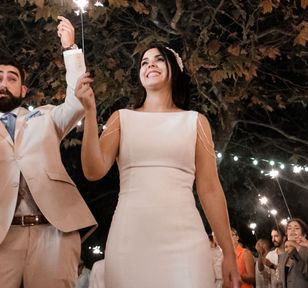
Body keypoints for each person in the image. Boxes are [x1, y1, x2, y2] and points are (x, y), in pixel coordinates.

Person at [0, 16, 96, 288]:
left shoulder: (45, 116)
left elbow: (77, 101)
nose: (4, 82)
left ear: (23, 89)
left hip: (53, 230)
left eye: (12, 78)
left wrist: (70, 49)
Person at [77, 45, 241, 288]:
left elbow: (210, 190)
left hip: (185, 241)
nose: (150, 65)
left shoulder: (196, 122)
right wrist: (90, 113)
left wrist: (229, 254)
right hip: (130, 238)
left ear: (173, 69)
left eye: (158, 60)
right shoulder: (121, 118)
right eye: (144, 62)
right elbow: (93, 170)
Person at [276, 218, 308, 288]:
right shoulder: (282, 256)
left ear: (304, 235)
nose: (292, 230)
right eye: (289, 228)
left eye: (296, 228)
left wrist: (295, 254)